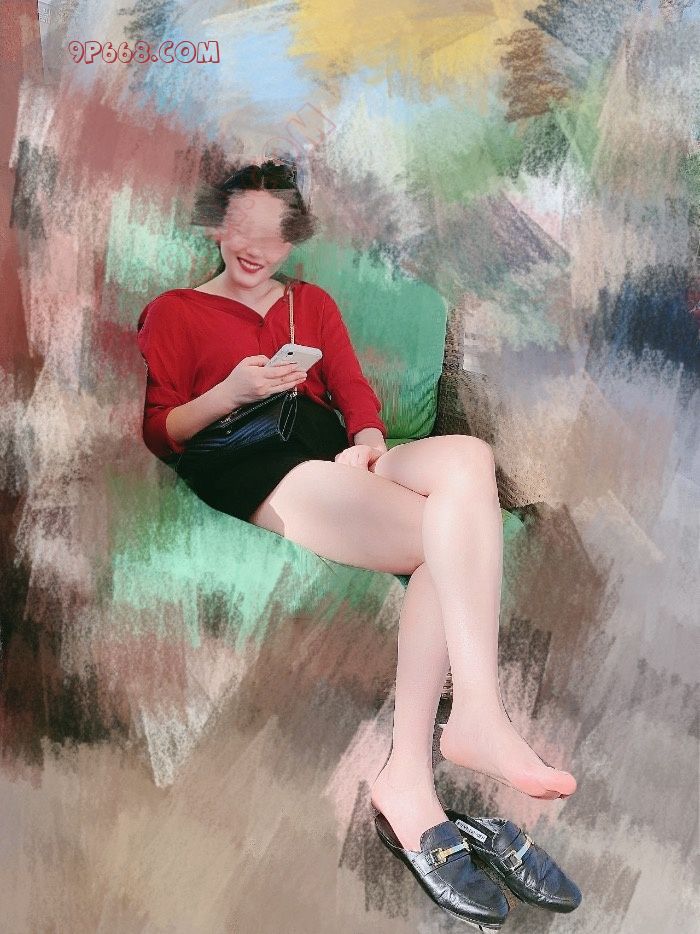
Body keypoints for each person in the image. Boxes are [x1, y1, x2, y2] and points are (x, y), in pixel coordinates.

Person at [137, 158, 577, 908]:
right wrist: (232, 391)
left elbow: (351, 390)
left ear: (292, 240)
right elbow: (162, 431)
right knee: (446, 537)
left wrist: (369, 442)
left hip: (326, 447)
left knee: (469, 460)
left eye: (275, 235)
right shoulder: (175, 310)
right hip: (251, 460)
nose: (256, 248)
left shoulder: (311, 302)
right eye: (242, 229)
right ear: (217, 228)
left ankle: (460, 726)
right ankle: (437, 753)